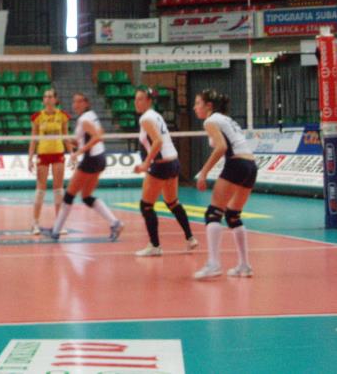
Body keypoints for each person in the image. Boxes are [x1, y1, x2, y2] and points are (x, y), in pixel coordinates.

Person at [193, 89, 257, 279]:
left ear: (209, 106)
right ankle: (244, 265)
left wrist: (203, 172)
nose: (195, 107)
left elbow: (221, 147)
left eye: (198, 103)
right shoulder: (226, 119)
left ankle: (213, 264)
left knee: (213, 213)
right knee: (233, 215)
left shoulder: (210, 120)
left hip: (237, 163)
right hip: (251, 166)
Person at [133, 87, 197, 256]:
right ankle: (190, 238)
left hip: (161, 165)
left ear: (149, 101)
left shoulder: (146, 118)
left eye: (140, 99)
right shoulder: (156, 115)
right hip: (173, 163)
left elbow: (158, 142)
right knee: (172, 202)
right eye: (135, 99)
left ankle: (155, 246)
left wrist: (146, 163)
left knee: (146, 205)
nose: (136, 102)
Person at [50, 93, 123, 241]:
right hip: (100, 158)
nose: (75, 104)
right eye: (74, 101)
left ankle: (55, 231)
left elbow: (97, 137)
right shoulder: (92, 116)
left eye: (79, 101)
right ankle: (115, 223)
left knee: (69, 195)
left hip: (91, 159)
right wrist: (67, 140)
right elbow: (94, 135)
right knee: (86, 196)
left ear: (86, 103)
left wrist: (79, 152)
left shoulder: (84, 119)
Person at [28, 89, 69, 235]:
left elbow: (66, 136)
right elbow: (33, 139)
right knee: (40, 190)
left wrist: (72, 154)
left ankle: (59, 224)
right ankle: (35, 223)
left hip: (58, 154)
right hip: (43, 154)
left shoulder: (62, 116)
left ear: (55, 99)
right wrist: (30, 158)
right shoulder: (37, 117)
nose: (48, 99)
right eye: (45, 97)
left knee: (58, 190)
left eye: (50, 96)